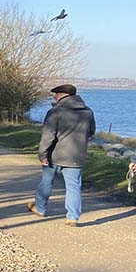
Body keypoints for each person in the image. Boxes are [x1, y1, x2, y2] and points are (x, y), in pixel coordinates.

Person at [26, 84, 96, 226]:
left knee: (47, 182)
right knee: (74, 187)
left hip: (54, 155)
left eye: (56, 94)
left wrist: (42, 154)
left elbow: (48, 136)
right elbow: (91, 131)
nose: (54, 97)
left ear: (62, 95)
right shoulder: (87, 112)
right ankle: (72, 217)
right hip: (76, 156)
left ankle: (40, 208)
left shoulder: (55, 111)